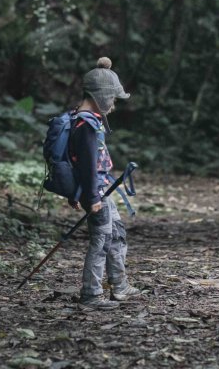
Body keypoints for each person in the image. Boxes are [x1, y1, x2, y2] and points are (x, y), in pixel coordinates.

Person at [69, 57, 141, 309]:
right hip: (96, 193)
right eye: (112, 98)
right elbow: (87, 165)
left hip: (102, 190)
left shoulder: (84, 119)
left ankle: (119, 285)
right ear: (101, 95)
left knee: (117, 233)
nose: (113, 106)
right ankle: (91, 295)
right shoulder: (86, 125)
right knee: (100, 240)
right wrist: (92, 198)